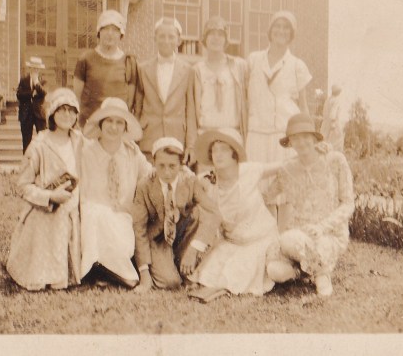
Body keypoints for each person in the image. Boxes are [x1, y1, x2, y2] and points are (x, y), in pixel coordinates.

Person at [188, 128, 284, 302]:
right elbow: (185, 181)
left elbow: (285, 166)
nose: (218, 154)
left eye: (224, 149)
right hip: (230, 241)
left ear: (234, 153)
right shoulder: (207, 180)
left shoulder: (249, 171)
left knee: (235, 275)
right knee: (206, 275)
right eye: (214, 150)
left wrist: (270, 193)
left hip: (260, 239)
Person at [265, 113, 355, 297]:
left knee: (295, 241)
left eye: (305, 136)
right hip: (298, 232)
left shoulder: (335, 160)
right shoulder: (287, 169)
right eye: (295, 138)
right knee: (274, 270)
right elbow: (266, 196)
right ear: (289, 142)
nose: (301, 142)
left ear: (314, 138)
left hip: (329, 233)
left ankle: (322, 274)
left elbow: (348, 204)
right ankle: (302, 272)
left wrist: (322, 227)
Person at [5, 88, 82, 291]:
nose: (67, 115)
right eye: (61, 110)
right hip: (45, 208)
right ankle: (45, 273)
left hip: (74, 209)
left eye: (71, 110)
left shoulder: (80, 142)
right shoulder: (40, 144)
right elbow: (22, 185)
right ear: (52, 114)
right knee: (49, 222)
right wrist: (49, 196)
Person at [130, 137, 220, 293]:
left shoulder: (190, 181)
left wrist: (193, 250)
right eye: (161, 166)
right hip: (158, 239)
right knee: (170, 283)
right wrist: (144, 273)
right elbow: (139, 229)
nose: (167, 172)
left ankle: (186, 263)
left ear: (181, 165)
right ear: (154, 163)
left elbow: (213, 213)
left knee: (198, 212)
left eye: (172, 166)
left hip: (183, 236)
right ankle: (167, 267)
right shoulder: (145, 185)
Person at [79, 97, 152, 288]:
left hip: (121, 215)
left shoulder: (131, 152)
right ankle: (121, 275)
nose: (114, 127)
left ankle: (105, 272)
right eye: (109, 121)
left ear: (125, 127)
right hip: (91, 215)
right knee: (96, 215)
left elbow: (150, 175)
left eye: (119, 122)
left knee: (121, 245)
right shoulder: (86, 151)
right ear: (101, 124)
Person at [246, 10, 312, 164]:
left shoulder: (297, 65)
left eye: (286, 27)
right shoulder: (253, 60)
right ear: (270, 31)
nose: (281, 31)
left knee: (282, 182)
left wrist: (309, 138)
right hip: (256, 135)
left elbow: (303, 106)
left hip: (283, 137)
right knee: (256, 184)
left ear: (291, 34)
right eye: (277, 26)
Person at [133, 17, 196, 163]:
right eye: (162, 36)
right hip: (149, 138)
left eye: (171, 37)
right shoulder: (143, 69)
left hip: (177, 138)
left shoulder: (188, 70)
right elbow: (138, 107)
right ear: (155, 39)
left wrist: (191, 145)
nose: (166, 41)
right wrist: (135, 139)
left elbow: (190, 111)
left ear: (179, 40)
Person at [191, 17, 249, 160]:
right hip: (205, 134)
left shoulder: (239, 66)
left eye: (220, 34)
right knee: (206, 179)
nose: (216, 38)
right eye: (212, 33)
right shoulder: (197, 70)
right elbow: (192, 110)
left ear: (226, 39)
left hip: (232, 134)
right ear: (205, 38)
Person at [73, 10, 138, 127]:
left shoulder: (129, 61)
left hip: (116, 125)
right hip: (90, 123)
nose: (110, 33)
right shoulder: (85, 59)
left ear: (121, 34)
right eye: (105, 29)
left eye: (115, 30)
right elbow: (77, 97)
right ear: (99, 32)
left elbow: (130, 101)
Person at [16, 56, 48, 152]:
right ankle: (27, 162)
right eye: (33, 68)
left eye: (37, 68)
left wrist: (37, 83)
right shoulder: (24, 80)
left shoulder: (44, 80)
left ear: (39, 69)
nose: (35, 70)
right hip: (26, 113)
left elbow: (44, 93)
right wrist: (31, 93)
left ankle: (42, 161)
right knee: (26, 140)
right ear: (29, 68)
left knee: (42, 138)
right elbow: (19, 95)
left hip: (39, 113)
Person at [320, 84, 344, 152]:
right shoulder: (336, 100)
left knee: (325, 139)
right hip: (333, 123)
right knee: (338, 140)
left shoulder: (328, 100)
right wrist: (333, 123)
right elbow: (333, 113)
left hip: (325, 123)